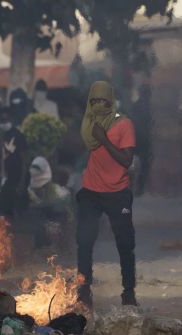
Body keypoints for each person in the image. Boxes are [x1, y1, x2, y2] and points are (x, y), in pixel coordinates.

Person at [76, 81, 137, 308]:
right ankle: (84, 290)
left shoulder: (124, 124)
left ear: (111, 101)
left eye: (103, 101)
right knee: (84, 241)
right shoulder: (89, 122)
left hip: (117, 191)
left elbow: (126, 160)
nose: (98, 105)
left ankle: (128, 291)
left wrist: (103, 139)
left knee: (124, 242)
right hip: (91, 190)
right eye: (94, 101)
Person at [0, 109, 29, 219]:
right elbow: (2, 155)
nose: (4, 122)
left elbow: (24, 160)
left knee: (14, 204)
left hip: (18, 176)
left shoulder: (18, 136)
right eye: (2, 120)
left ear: (12, 120)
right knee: (4, 205)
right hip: (8, 176)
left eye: (6, 119)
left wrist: (22, 180)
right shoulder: (4, 135)